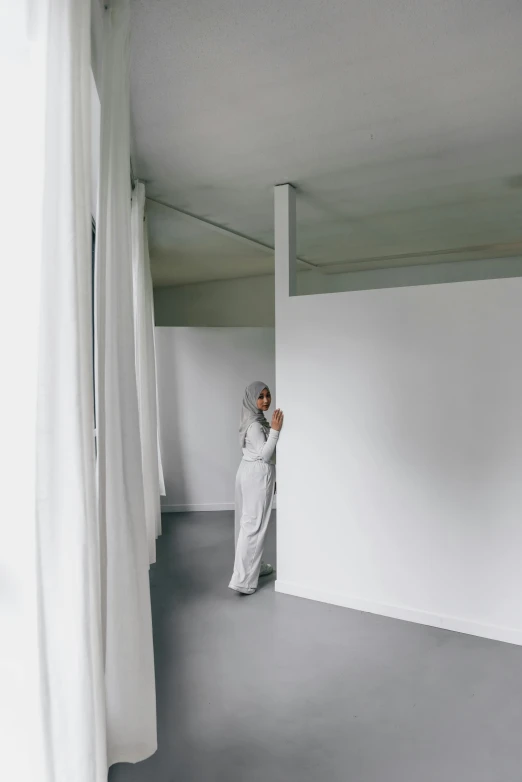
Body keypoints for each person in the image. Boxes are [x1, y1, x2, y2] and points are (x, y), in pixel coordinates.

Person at [229, 381, 284, 595]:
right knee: (254, 525)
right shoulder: (254, 425)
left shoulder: (254, 419)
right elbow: (264, 453)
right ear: (252, 399)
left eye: (268, 395)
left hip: (249, 472)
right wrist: (276, 431)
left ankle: (254, 567)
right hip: (256, 474)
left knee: (248, 523)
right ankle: (243, 581)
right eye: (260, 397)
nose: (266, 400)